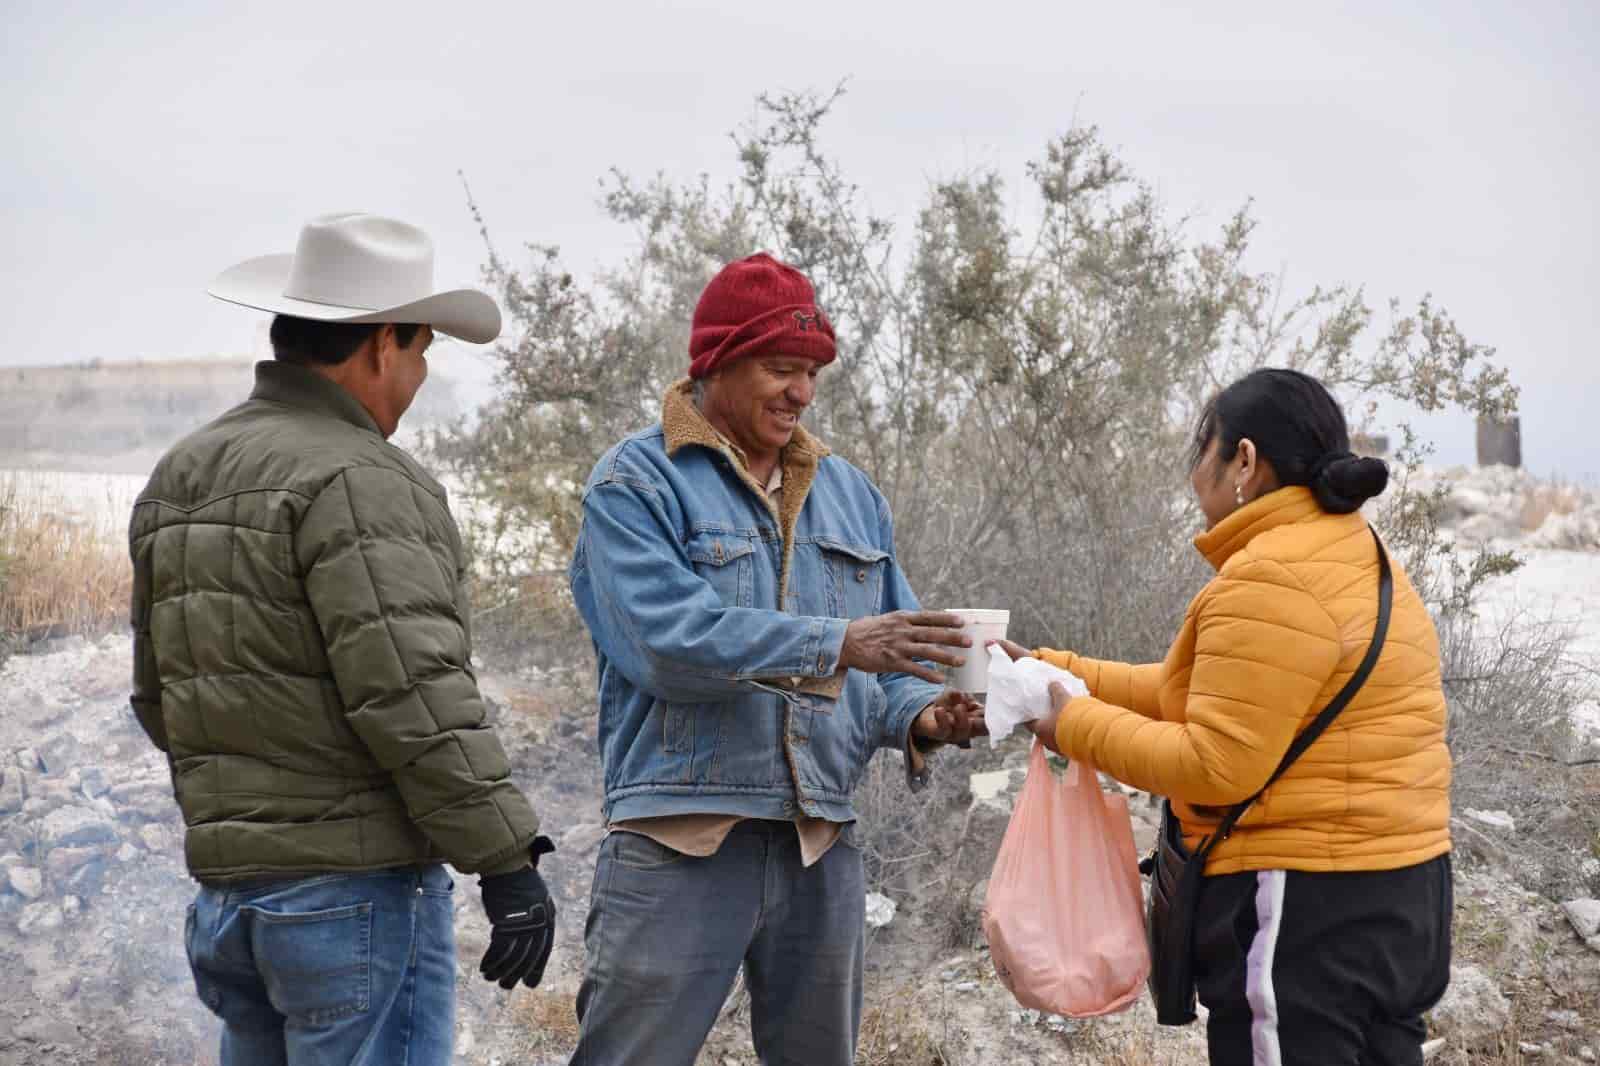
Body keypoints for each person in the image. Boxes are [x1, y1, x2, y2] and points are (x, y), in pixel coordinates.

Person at [129, 213, 557, 1066]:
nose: (421, 373)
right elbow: (412, 692)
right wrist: (506, 862)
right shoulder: (363, 477)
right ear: (379, 345)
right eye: (423, 348)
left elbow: (159, 697)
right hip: (351, 901)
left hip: (229, 911)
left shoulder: (181, 472)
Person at [567, 252, 985, 1066]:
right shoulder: (636, 483)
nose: (802, 392)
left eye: (812, 374)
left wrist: (924, 716)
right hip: (679, 843)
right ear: (717, 364)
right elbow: (664, 643)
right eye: (781, 369)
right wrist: (836, 643)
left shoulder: (852, 494)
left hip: (819, 845)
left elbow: (886, 658)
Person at [1001, 368, 1452, 1066]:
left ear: (1243, 460)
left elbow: (1217, 764)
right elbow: (1210, 693)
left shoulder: (1271, 575)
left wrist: (1072, 726)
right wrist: (1066, 671)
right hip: (1403, 894)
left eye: (1199, 451)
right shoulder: (1356, 554)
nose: (1192, 477)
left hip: (1307, 911)